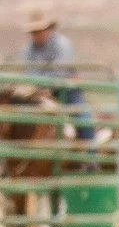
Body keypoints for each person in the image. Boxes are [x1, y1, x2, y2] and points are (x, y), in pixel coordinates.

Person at [19, 11, 93, 141]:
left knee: (84, 119)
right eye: (34, 32)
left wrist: (44, 84)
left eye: (40, 30)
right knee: (19, 118)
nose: (37, 35)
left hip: (67, 91)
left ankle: (91, 158)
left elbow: (61, 71)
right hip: (39, 92)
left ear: (48, 29)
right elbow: (29, 73)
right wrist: (40, 87)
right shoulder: (28, 50)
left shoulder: (62, 44)